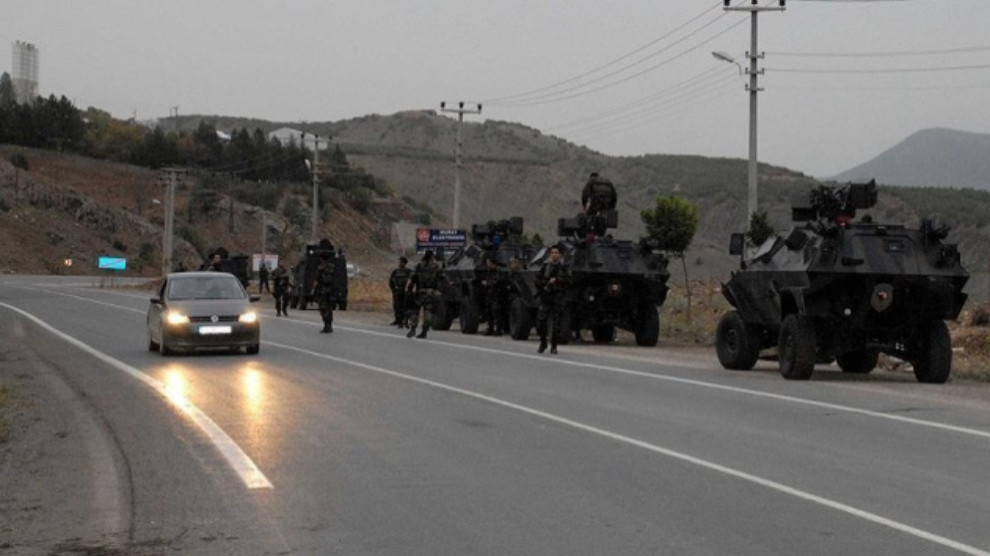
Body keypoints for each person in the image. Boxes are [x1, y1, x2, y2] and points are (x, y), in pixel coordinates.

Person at [535, 244, 570, 354]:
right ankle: (543, 342)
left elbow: (569, 281)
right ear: (550, 255)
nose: (554, 255)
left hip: (557, 298)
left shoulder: (564, 268)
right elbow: (537, 281)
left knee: (556, 324)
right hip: (546, 298)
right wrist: (545, 283)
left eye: (556, 253)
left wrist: (558, 281)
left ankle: (554, 346)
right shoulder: (545, 267)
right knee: (541, 322)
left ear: (560, 255)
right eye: (552, 253)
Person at [406, 250, 442, 339]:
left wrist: (409, 290)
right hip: (431, 293)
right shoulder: (436, 267)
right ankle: (424, 331)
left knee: (415, 311)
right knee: (428, 311)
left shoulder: (419, 265)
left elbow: (412, 278)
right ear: (432, 256)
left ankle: (413, 329)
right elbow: (440, 279)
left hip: (419, 292)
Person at [480, 255, 504, 336]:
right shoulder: (489, 271)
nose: (487, 264)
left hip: (496, 294)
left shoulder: (498, 271)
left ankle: (498, 330)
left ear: (492, 263)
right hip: (490, 294)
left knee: (496, 312)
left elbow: (497, 282)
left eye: (488, 262)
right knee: (489, 312)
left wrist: (487, 284)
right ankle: (490, 328)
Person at [313, 256, 337, 333]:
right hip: (327, 291)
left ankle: (328, 325)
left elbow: (321, 280)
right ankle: (327, 325)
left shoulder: (324, 268)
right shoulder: (330, 267)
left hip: (325, 291)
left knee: (325, 308)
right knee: (326, 308)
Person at [388, 256, 412, 327]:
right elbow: (391, 281)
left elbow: (412, 281)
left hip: (405, 291)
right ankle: (397, 320)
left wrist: (409, 290)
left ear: (404, 263)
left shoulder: (408, 271)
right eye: (399, 262)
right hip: (397, 291)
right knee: (396, 306)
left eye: (401, 262)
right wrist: (393, 289)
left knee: (404, 306)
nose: (399, 263)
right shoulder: (395, 271)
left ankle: (404, 320)